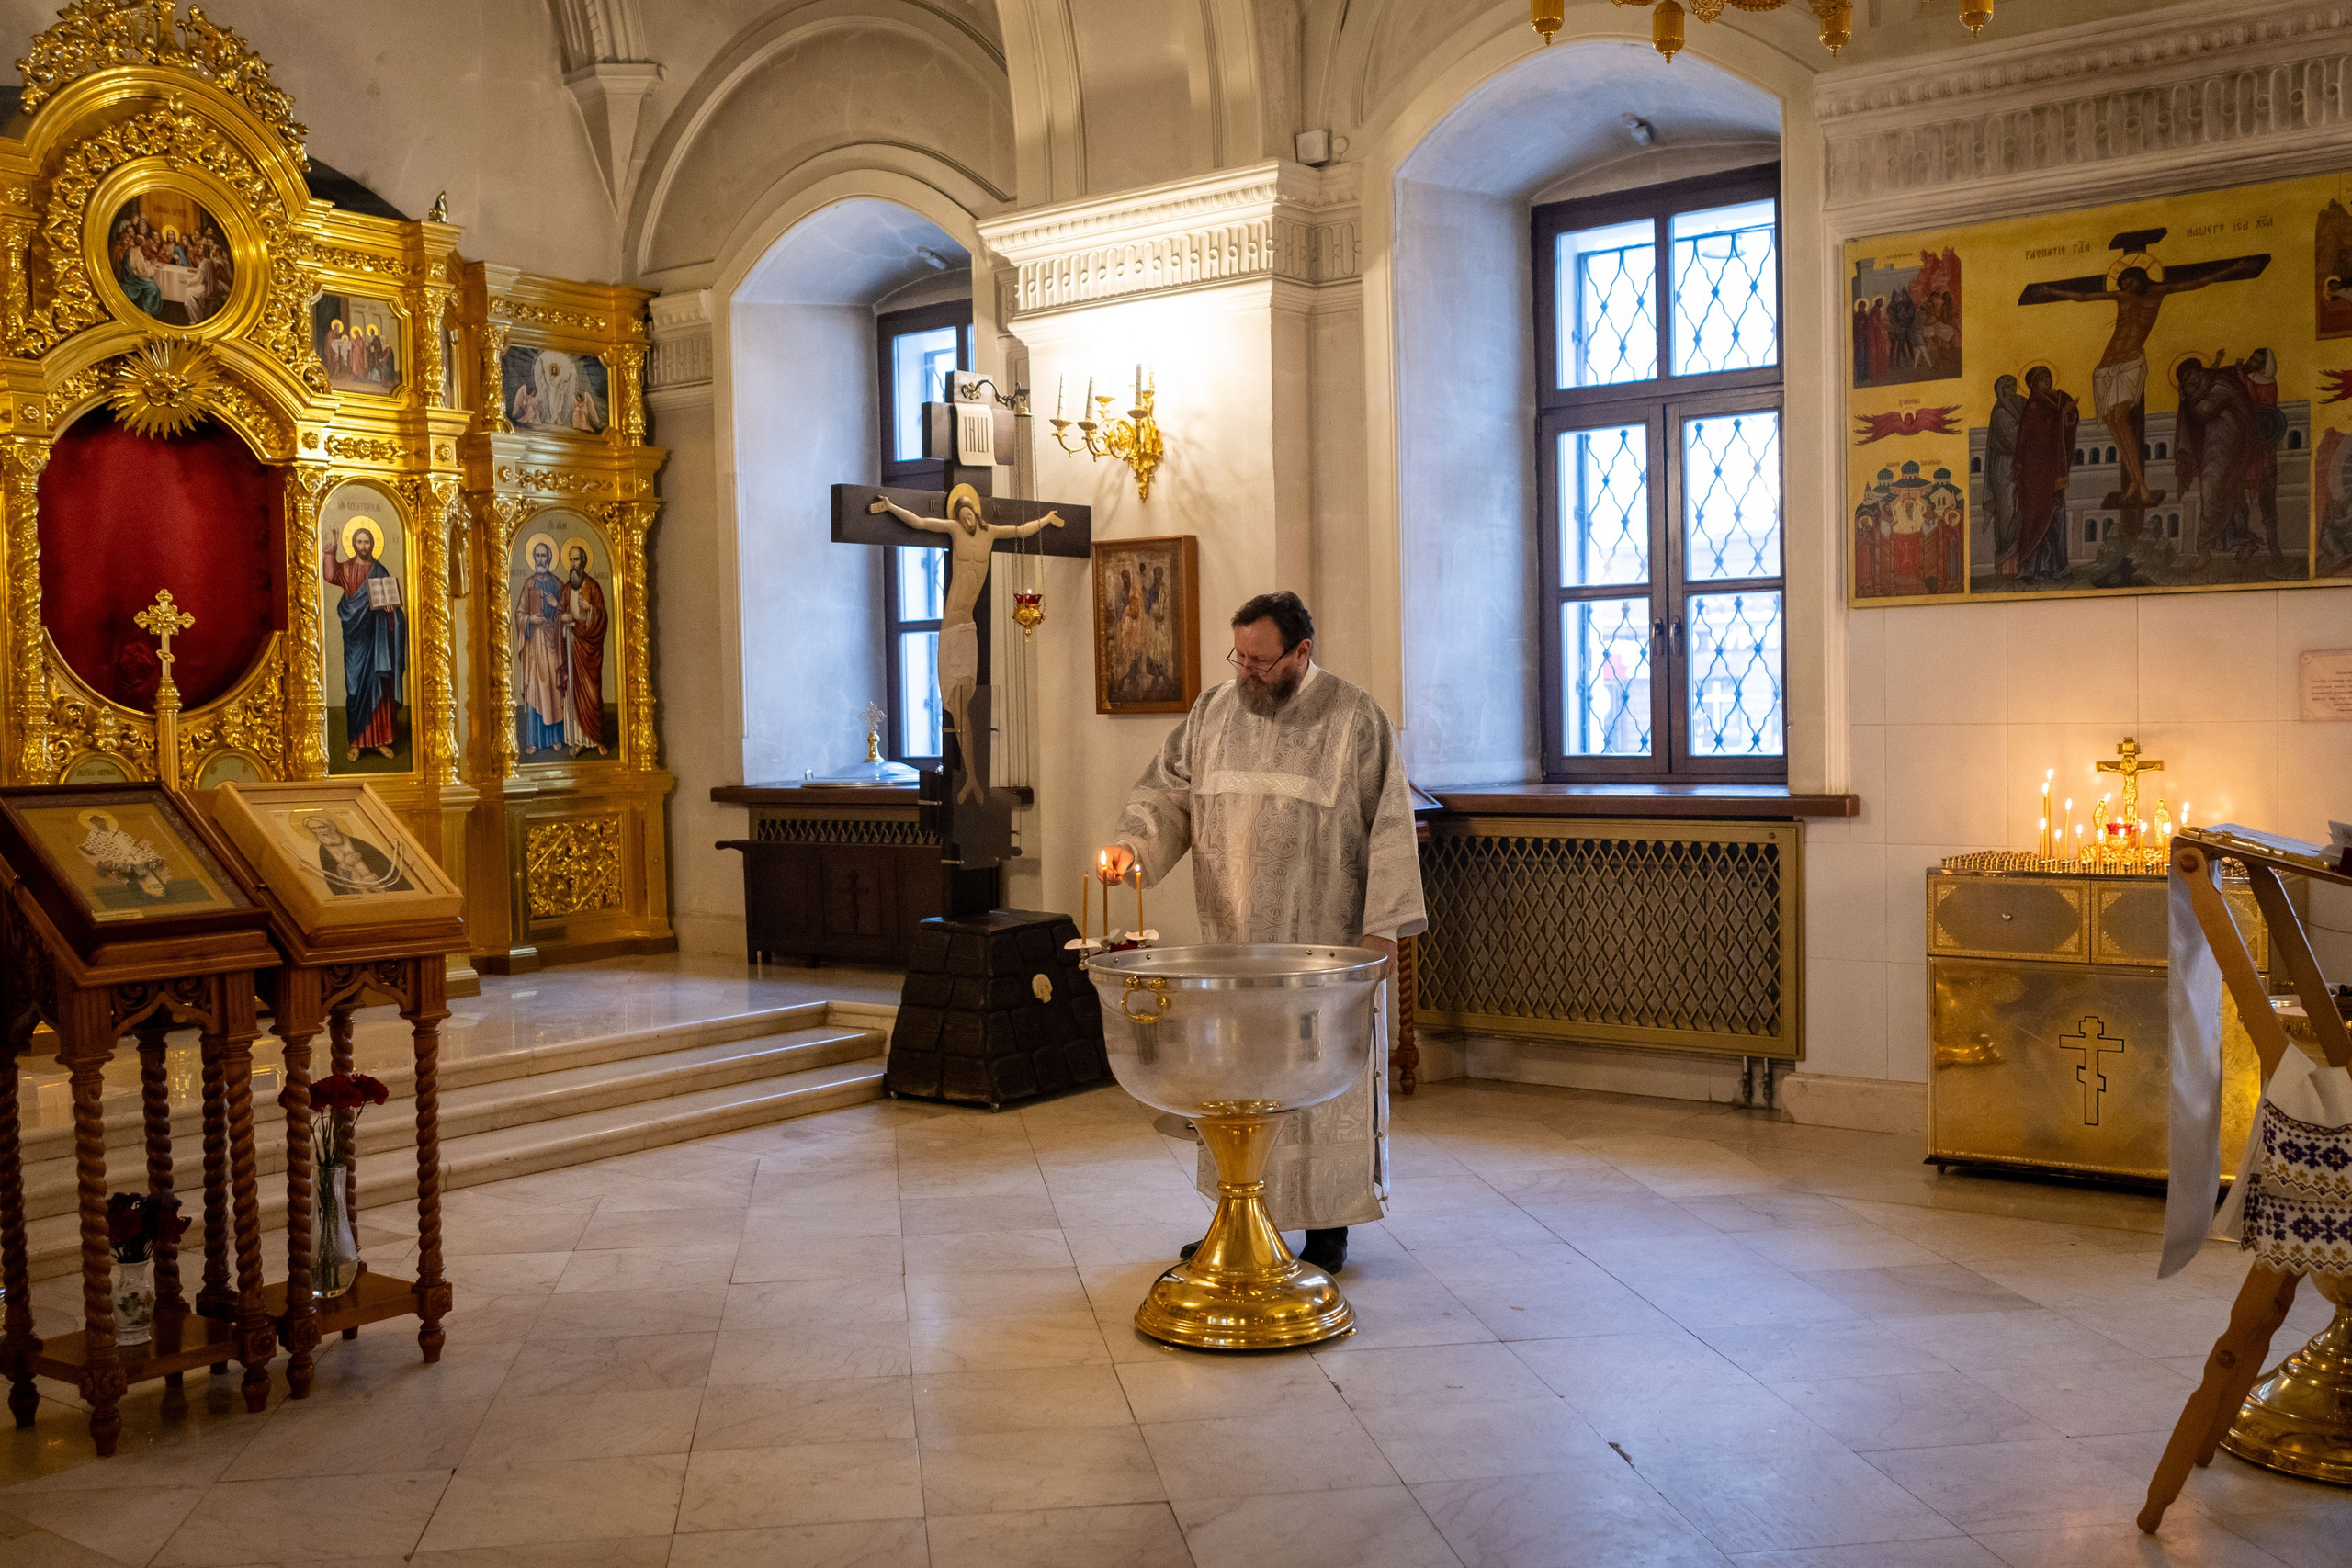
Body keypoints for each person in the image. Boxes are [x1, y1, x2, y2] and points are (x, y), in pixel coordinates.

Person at [1097, 591, 1427, 1277]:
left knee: (1319, 1081)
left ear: (1301, 652)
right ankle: (1237, 1218)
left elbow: (1391, 829)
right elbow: (1166, 794)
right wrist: (1133, 847)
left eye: (1260, 661)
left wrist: (1383, 931)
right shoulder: (1211, 712)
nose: (1245, 672)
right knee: (1234, 1080)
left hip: (1322, 948)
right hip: (1234, 947)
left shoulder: (1356, 718)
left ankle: (1329, 1225)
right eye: (1238, 657)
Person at [866, 487, 1064, 801]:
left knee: (965, 707)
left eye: (970, 513)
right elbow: (918, 523)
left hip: (968, 626)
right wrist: (891, 507)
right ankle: (969, 776)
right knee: (957, 708)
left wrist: (1047, 519)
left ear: (977, 514)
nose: (966, 518)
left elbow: (1020, 530)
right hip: (950, 627)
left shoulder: (991, 533)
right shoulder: (953, 530)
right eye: (961, 514)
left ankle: (972, 778)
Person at [321, 524, 405, 761]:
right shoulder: (346, 569)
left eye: (367, 541)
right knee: (356, 688)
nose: (363, 546)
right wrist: (330, 552)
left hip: (377, 639)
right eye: (359, 542)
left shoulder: (380, 570)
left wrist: (392, 612)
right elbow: (329, 575)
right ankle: (356, 742)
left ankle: (380, 740)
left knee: (379, 684)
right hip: (356, 638)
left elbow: (393, 603)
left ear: (372, 544)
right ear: (354, 544)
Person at [513, 539, 570, 756]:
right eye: (537, 556)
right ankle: (534, 741)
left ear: (550, 558)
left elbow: (566, 611)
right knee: (536, 690)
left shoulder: (558, 584)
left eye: (544, 556)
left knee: (554, 690)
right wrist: (530, 620)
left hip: (553, 642)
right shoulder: (528, 584)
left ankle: (556, 738)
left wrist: (557, 607)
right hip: (535, 643)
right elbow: (519, 614)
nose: (540, 560)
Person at [561, 543, 609, 754]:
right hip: (572, 642)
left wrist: (590, 610)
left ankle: (597, 739)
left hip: (589, 647)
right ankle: (579, 740)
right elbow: (559, 613)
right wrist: (562, 619)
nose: (573, 564)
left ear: (584, 562)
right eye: (571, 560)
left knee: (592, 694)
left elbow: (603, 618)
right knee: (574, 694)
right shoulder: (565, 589)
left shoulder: (593, 587)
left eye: (577, 560)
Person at [303, 814, 412, 895]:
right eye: (314, 829)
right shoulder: (323, 851)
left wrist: (375, 876)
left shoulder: (357, 843)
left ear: (331, 827)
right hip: (358, 893)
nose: (319, 831)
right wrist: (345, 865)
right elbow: (332, 878)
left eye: (322, 827)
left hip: (381, 886)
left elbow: (383, 865)